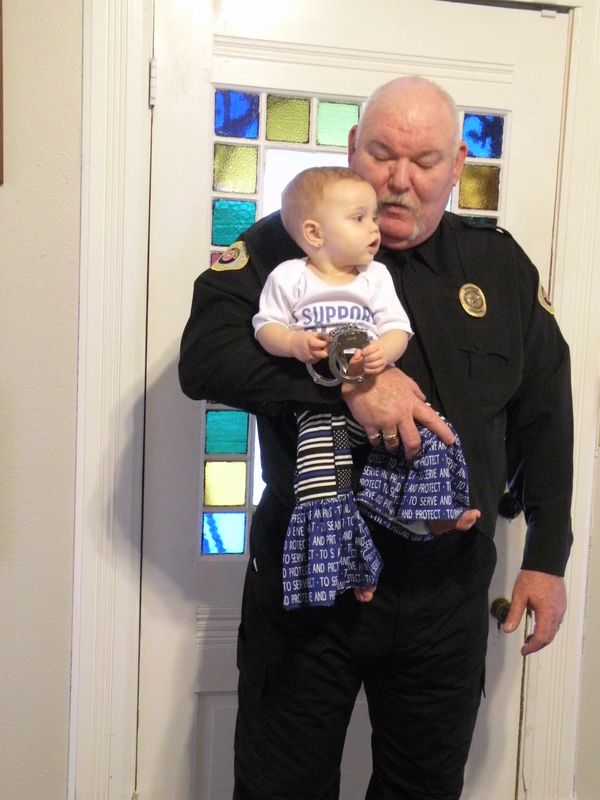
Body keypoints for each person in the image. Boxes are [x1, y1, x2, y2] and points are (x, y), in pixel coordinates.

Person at [179, 76, 573, 800]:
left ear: (457, 164)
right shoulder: (285, 246)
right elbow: (204, 360)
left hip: (445, 593)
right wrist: (350, 382)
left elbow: (545, 412)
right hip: (310, 584)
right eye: (382, 155)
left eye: (423, 161)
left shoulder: (498, 265)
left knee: (423, 789)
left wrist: (548, 557)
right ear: (353, 147)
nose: (398, 181)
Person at [253, 165, 478, 609]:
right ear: (315, 233)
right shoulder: (289, 277)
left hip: (381, 399)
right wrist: (294, 343)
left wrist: (385, 353)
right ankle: (345, 569)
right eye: (359, 218)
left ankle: (435, 514)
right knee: (323, 486)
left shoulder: (375, 277)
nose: (374, 229)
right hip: (319, 409)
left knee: (425, 437)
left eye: (372, 217)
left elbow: (397, 328)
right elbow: (266, 327)